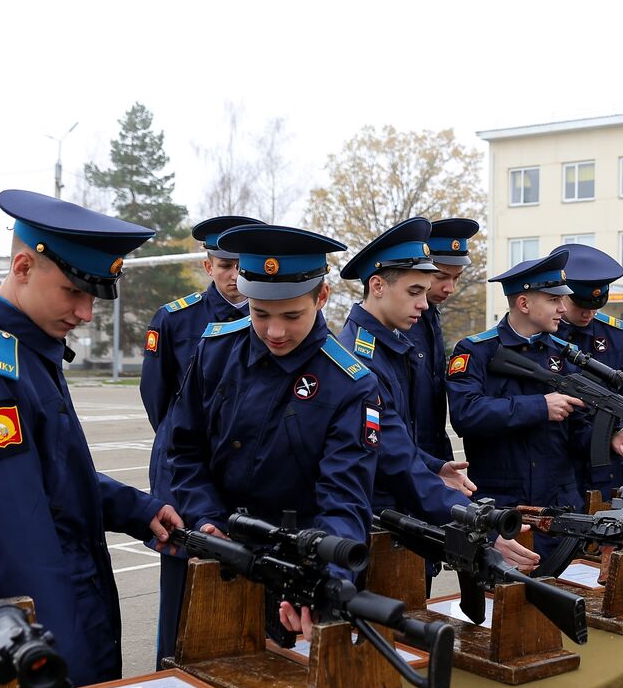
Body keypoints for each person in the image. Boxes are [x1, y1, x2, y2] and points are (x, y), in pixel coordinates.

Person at [0, 190, 183, 685]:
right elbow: (17, 550)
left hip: (55, 605)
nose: (85, 313)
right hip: (35, 631)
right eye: (73, 292)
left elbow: (50, 476)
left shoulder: (25, 351)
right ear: (22, 267)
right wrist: (66, 680)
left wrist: (134, 508)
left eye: (94, 296)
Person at [160, 223, 382, 657]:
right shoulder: (215, 350)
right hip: (214, 558)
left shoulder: (349, 382)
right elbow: (182, 449)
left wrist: (325, 579)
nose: (274, 332)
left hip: (293, 568)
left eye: (291, 316)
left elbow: (345, 496)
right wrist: (205, 517)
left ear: (321, 298)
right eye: (260, 314)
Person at [448, 249, 623, 569]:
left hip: (558, 509)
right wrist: (539, 406)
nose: (563, 308)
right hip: (502, 510)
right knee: (500, 606)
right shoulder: (476, 351)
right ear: (524, 304)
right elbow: (466, 415)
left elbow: (577, 429)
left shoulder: (564, 355)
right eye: (554, 300)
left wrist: (606, 439)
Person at [336, 218, 478, 522]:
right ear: (377, 286)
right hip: (375, 518)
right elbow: (391, 456)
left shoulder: (391, 345)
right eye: (414, 291)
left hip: (399, 509)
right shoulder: (361, 358)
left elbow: (397, 437)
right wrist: (472, 519)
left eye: (424, 292)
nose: (424, 304)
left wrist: (432, 466)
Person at [140, 215, 259, 431]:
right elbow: (154, 393)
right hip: (186, 448)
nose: (235, 275)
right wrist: (176, 440)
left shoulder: (272, 320)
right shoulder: (174, 319)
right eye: (225, 265)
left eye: (242, 266)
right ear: (208, 267)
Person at [555, 243, 623, 500]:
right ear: (561, 294)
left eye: (596, 305)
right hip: (556, 464)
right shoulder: (544, 335)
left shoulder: (615, 335)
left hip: (605, 467)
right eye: (581, 305)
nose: (589, 313)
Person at [408, 218, 480, 464]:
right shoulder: (403, 321)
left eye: (457, 278)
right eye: (441, 276)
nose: (450, 288)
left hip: (431, 456)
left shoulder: (430, 316)